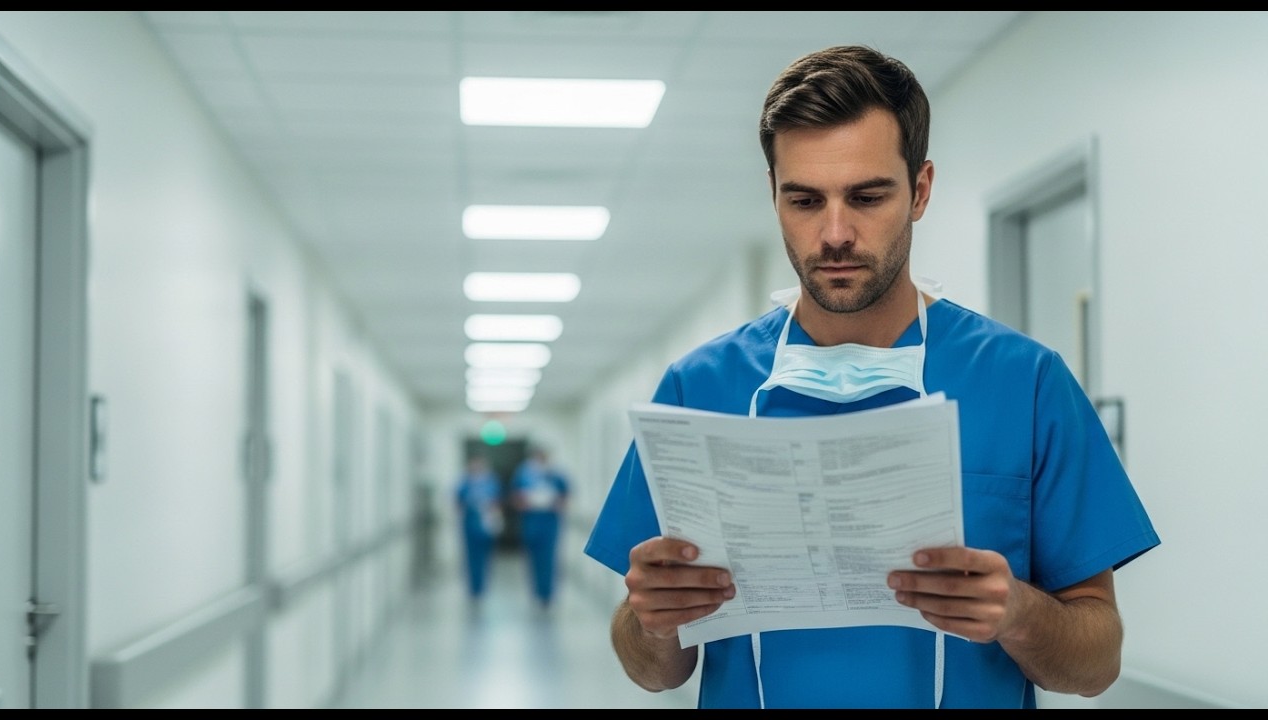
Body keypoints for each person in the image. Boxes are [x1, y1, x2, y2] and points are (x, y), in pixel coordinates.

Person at [583, 45, 1160, 709]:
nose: (833, 233)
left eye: (866, 196)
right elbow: (651, 669)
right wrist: (653, 618)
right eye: (804, 199)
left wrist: (1019, 614)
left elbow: (1096, 664)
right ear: (773, 195)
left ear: (919, 190)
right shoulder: (700, 388)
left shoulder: (1025, 382)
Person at [511, 445, 570, 608]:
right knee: (532, 559)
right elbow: (515, 497)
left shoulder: (556, 475)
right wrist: (525, 502)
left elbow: (565, 496)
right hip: (530, 522)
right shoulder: (523, 473)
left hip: (549, 523)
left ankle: (547, 594)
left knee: (549, 559)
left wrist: (555, 502)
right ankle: (536, 592)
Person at [455, 454, 504, 602]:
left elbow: (498, 501)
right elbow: (458, 502)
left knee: (486, 556)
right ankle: (474, 588)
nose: (476, 468)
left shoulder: (491, 482)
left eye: (479, 465)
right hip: (470, 524)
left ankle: (483, 586)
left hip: (487, 523)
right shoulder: (464, 483)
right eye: (473, 465)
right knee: (471, 557)